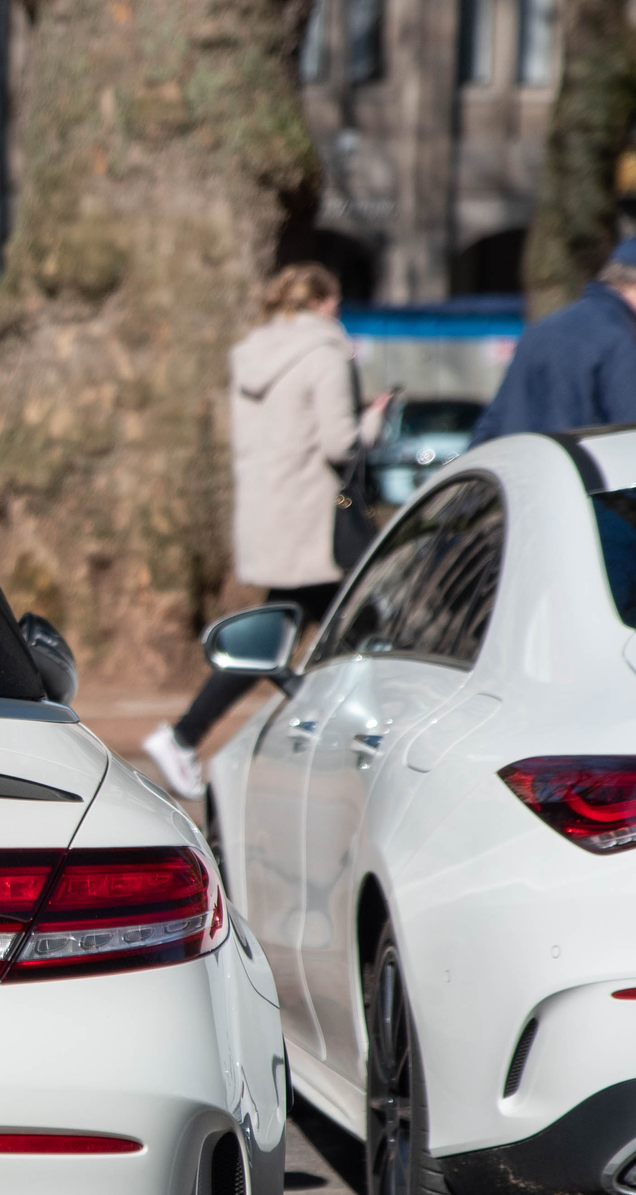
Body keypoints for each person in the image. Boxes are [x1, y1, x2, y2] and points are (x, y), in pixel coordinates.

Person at [145, 263, 386, 801]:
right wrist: (374, 420)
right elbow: (340, 445)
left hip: (271, 514)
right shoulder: (325, 355)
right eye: (336, 303)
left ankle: (191, 735)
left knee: (302, 625)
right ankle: (188, 734)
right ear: (323, 303)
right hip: (315, 518)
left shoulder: (252, 355)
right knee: (356, 622)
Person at [467, 234, 636, 444]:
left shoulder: (539, 332)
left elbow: (490, 431)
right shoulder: (625, 345)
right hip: (583, 487)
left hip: (524, 483)